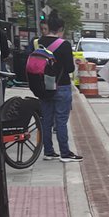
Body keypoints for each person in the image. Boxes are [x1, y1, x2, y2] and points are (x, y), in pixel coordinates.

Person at [36, 11, 81, 161]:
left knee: (46, 119)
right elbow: (69, 68)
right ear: (61, 29)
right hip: (61, 86)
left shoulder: (38, 42)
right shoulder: (64, 45)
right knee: (61, 120)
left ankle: (48, 151)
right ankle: (65, 153)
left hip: (43, 87)